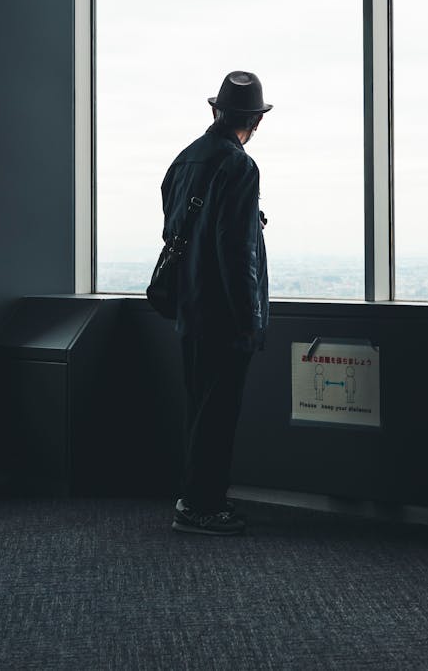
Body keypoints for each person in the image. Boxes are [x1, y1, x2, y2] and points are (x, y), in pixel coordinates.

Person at [159, 71, 271, 536]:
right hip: (224, 314)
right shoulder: (240, 167)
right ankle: (202, 507)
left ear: (216, 111)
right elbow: (235, 250)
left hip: (191, 306)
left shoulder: (185, 160)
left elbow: (174, 230)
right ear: (255, 121)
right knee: (218, 413)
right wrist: (248, 319)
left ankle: (193, 498)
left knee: (199, 408)